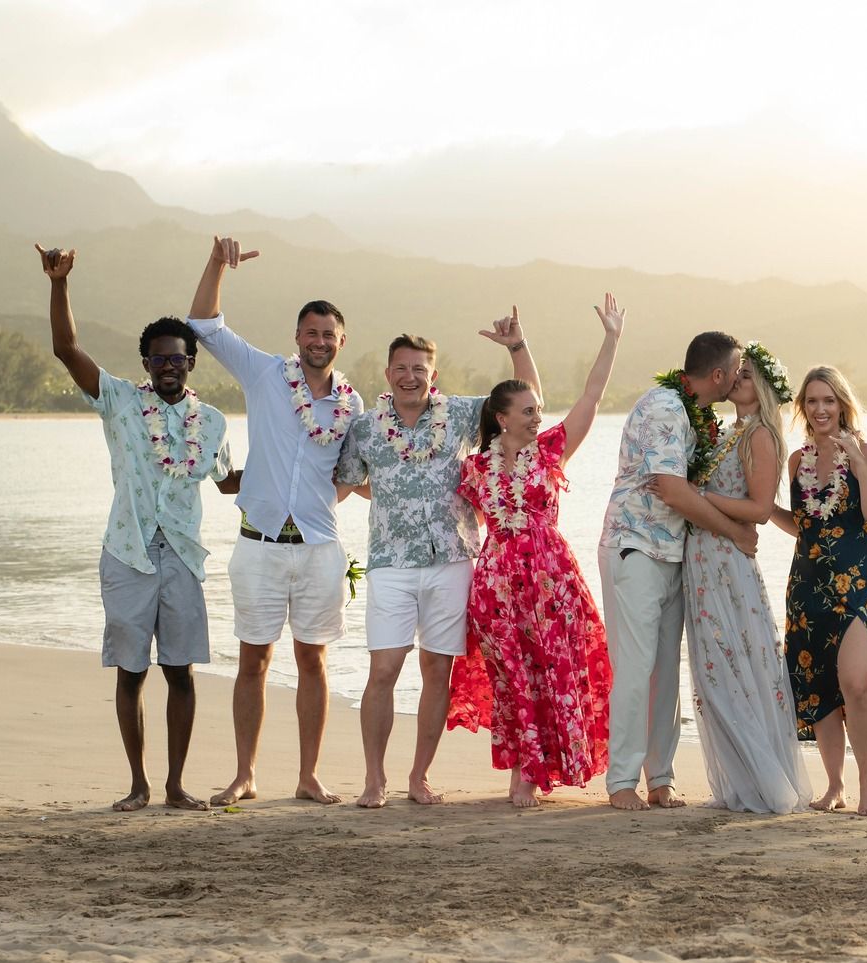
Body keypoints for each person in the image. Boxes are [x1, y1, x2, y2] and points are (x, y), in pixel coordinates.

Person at [35, 243, 238, 812]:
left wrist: (299, 475)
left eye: (178, 357)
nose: (168, 365)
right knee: (130, 672)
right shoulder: (120, 402)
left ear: (191, 363)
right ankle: (138, 784)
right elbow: (65, 348)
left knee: (180, 671)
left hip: (182, 557)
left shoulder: (214, 421)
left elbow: (226, 483)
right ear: (145, 363)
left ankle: (175, 785)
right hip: (127, 552)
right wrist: (59, 283)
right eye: (158, 358)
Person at [187, 235, 364, 805]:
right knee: (253, 660)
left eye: (328, 335)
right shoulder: (264, 373)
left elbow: (353, 470)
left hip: (319, 546)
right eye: (310, 332)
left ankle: (309, 775)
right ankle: (245, 774)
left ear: (341, 342)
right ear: (297, 338)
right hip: (258, 543)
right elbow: (204, 322)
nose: (319, 341)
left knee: (313, 660)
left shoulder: (352, 405)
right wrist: (218, 263)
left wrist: (320, 502)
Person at [334, 321, 537, 808]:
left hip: (452, 560)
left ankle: (419, 776)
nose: (410, 376)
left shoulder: (464, 415)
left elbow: (527, 403)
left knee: (436, 670)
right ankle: (373, 779)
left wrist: (517, 347)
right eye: (401, 368)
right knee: (383, 668)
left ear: (433, 373)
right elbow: (343, 484)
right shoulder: (364, 429)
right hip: (390, 563)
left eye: (419, 369)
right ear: (387, 373)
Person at [453, 295, 623, 807]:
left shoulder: (549, 451)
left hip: (551, 579)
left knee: (555, 670)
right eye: (527, 412)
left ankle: (545, 764)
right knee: (513, 677)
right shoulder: (474, 470)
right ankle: (524, 770)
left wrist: (611, 338)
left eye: (539, 412)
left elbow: (591, 398)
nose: (536, 417)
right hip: (498, 583)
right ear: (501, 419)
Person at [598, 330, 756, 812]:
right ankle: (621, 780)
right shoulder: (665, 407)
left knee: (665, 668)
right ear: (717, 375)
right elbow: (671, 489)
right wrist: (733, 530)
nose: (737, 378)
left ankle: (660, 777)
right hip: (636, 548)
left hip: (673, 554)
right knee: (636, 665)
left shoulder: (698, 415)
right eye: (735, 370)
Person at [668, 342, 811, 813]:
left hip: (728, 558)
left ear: (763, 387)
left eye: (747, 375)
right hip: (703, 556)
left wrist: (695, 495)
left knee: (734, 664)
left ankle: (763, 783)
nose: (736, 379)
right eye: (736, 373)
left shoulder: (761, 436)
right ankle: (737, 783)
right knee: (714, 669)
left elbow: (759, 508)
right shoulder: (729, 430)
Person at [772, 365, 867, 817]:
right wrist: (763, 509)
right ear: (802, 408)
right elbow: (804, 525)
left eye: (828, 400)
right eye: (812, 401)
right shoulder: (796, 461)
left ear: (842, 404)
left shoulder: (863, 449)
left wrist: (861, 464)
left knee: (856, 683)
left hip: (860, 582)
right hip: (807, 585)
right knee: (820, 686)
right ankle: (835, 786)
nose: (820, 409)